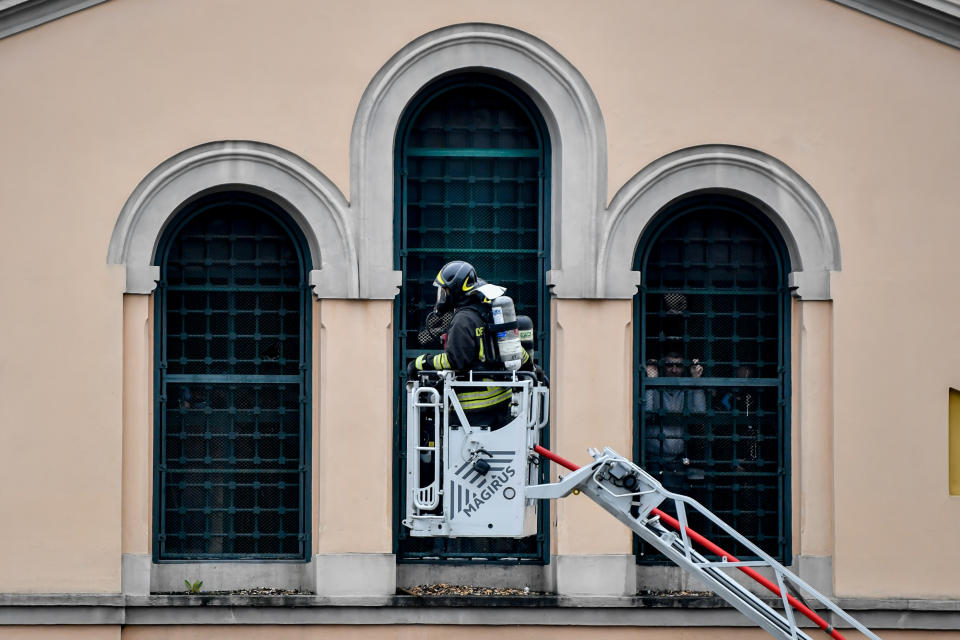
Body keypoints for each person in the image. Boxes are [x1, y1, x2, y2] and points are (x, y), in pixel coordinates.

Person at [406, 260, 535, 429]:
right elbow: (513, 349)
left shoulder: (463, 319)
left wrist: (422, 362)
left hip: (473, 411)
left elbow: (456, 361)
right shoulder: (487, 312)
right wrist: (531, 368)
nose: (443, 295)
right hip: (501, 406)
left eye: (445, 290)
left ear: (456, 291)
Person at [643, 352, 706, 491]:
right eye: (669, 365)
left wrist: (696, 381)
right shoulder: (656, 389)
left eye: (678, 365)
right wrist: (652, 381)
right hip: (652, 459)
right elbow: (647, 412)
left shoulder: (685, 390)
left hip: (677, 460)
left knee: (673, 503)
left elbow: (700, 413)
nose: (674, 370)